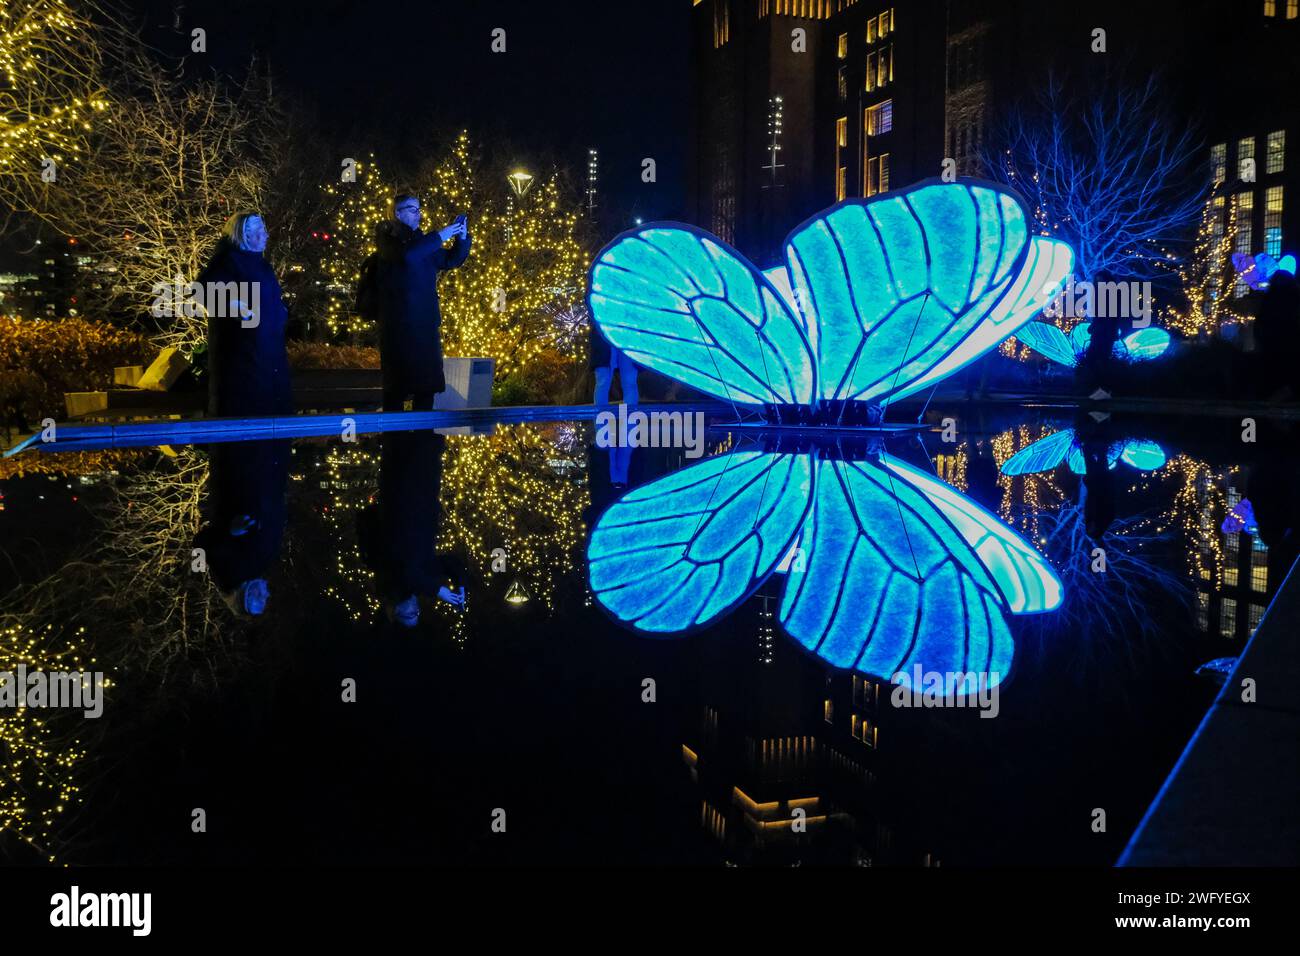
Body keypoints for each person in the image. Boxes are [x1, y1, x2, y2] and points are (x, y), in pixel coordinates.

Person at [357, 192, 470, 412]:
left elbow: (450, 260)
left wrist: (462, 238)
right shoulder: (388, 239)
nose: (419, 214)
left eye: (419, 209)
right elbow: (408, 256)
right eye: (412, 209)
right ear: (397, 213)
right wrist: (440, 235)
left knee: (426, 389)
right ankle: (395, 441)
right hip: (399, 327)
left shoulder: (421, 241)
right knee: (396, 390)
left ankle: (423, 439)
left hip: (424, 326)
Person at [358, 430, 467, 628]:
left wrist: (438, 590)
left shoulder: (389, 585)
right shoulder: (420, 581)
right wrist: (460, 584)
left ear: (394, 613)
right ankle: (424, 404)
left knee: (401, 440)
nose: (415, 610)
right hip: (424, 495)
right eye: (417, 614)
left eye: (409, 616)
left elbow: (407, 573)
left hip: (401, 497)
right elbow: (450, 562)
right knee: (429, 437)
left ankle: (401, 407)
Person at [200, 212, 292, 417]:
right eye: (259, 232)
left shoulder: (260, 265)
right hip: (243, 362)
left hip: (266, 358)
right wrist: (237, 309)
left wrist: (280, 312)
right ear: (244, 235)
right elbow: (205, 290)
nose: (265, 236)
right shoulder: (228, 262)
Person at [591, 326, 638, 405]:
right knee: (603, 382)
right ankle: (600, 414)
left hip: (627, 337)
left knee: (629, 382)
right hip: (606, 339)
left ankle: (630, 414)